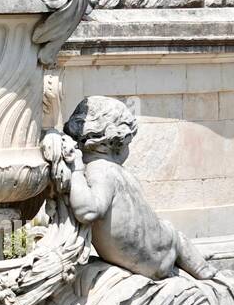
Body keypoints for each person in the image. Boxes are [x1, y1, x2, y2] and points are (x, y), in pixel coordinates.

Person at [53, 96, 218, 280]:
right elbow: (89, 212)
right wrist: (77, 171)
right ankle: (205, 272)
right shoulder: (106, 172)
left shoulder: (102, 172)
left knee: (173, 236)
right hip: (159, 253)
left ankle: (203, 270)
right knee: (176, 237)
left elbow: (88, 212)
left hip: (145, 261)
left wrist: (75, 170)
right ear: (116, 144)